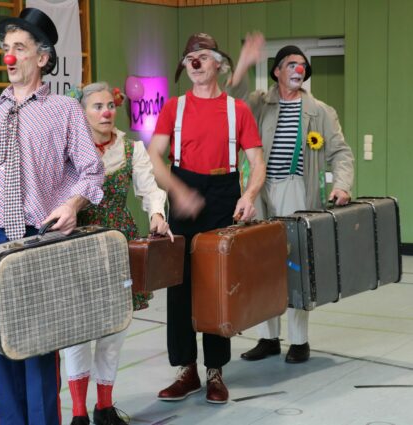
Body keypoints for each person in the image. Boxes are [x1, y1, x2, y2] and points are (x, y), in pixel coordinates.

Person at [0, 8, 104, 425]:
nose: (9, 57)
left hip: (38, 240)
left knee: (38, 348)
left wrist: (72, 205)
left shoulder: (64, 110)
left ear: (42, 57)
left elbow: (92, 170)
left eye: (20, 48)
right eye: (6, 48)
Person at [148, 33, 266, 404]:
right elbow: (154, 157)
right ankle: (187, 369)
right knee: (180, 284)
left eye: (202, 56)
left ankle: (215, 371)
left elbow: (257, 163)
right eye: (189, 58)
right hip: (184, 190)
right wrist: (177, 190)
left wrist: (248, 195)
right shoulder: (174, 108)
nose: (195, 63)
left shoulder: (238, 110)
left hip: (223, 194)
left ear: (218, 63)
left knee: (217, 285)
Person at [231, 33, 354, 364]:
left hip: (298, 190)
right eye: (291, 64)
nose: (299, 69)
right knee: (261, 265)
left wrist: (342, 185)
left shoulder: (320, 111)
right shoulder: (260, 103)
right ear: (277, 71)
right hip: (260, 191)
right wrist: (244, 63)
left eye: (302, 65)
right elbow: (233, 97)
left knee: (296, 264)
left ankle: (299, 341)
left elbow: (341, 152)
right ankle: (268, 337)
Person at [63, 82, 172, 425]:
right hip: (77, 246)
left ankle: (105, 408)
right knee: (77, 331)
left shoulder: (131, 148)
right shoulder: (67, 150)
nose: (106, 112)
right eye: (97, 106)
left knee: (115, 328)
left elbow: (149, 188)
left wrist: (157, 214)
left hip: (118, 245)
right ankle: (78, 413)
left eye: (110, 105)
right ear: (82, 112)